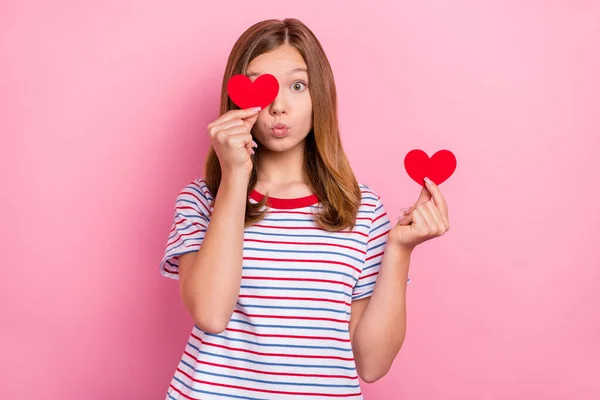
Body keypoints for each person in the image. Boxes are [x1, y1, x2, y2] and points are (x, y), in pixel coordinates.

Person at [160, 18, 450, 400]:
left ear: (320, 97)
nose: (279, 106)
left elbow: (372, 364)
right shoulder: (201, 200)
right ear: (237, 98)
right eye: (263, 87)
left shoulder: (361, 211)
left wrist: (400, 250)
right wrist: (234, 178)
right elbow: (212, 315)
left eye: (297, 86)